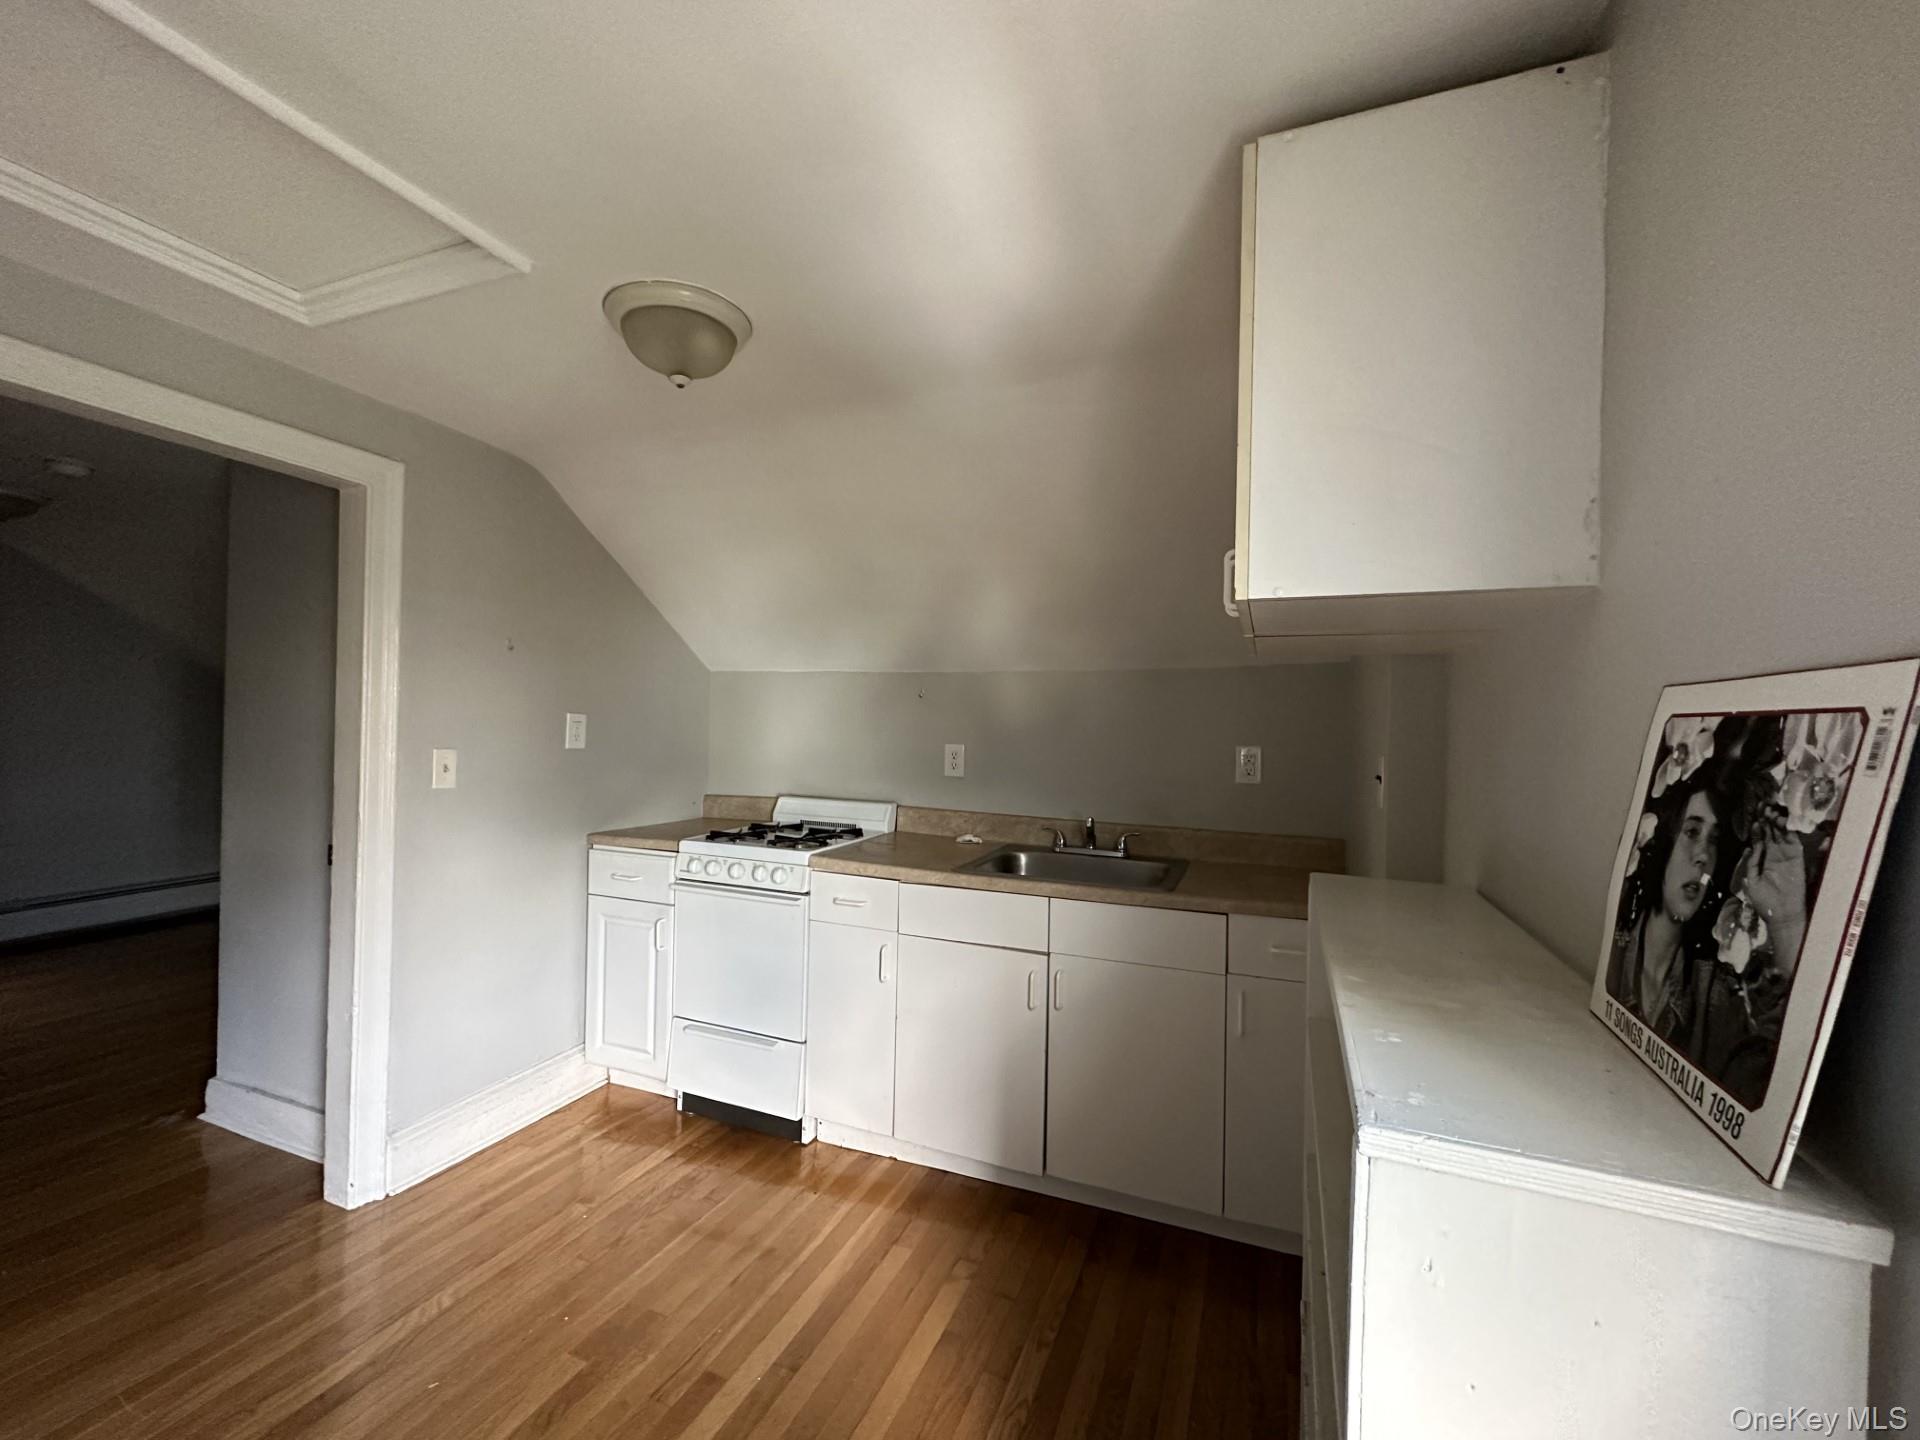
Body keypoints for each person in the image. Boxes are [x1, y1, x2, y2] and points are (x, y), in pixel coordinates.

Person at [1604, 779, 1728, 1047]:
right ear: (1661, 842)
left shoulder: (1711, 992)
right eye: (1692, 832)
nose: (1703, 856)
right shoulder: (1611, 952)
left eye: (1714, 840)